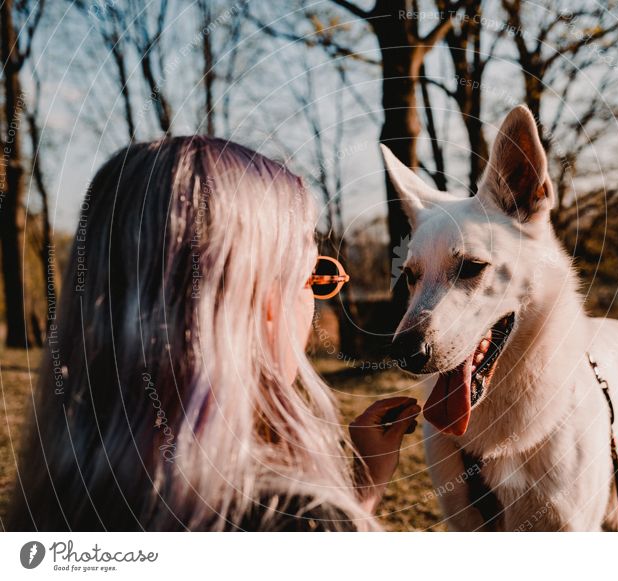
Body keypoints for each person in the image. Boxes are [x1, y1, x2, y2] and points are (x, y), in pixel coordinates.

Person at [8, 136, 419, 531]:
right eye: (312, 277)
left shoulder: (60, 498)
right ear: (262, 304)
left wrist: (358, 494)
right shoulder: (289, 520)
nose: (314, 298)